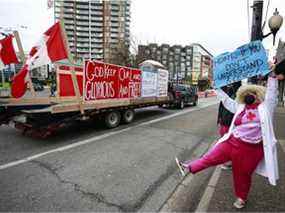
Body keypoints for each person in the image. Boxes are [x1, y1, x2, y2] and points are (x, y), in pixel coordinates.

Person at [176, 68, 284, 209]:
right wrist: (217, 88)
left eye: (252, 93)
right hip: (232, 142)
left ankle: (241, 198)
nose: (249, 96)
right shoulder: (241, 107)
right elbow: (227, 101)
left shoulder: (266, 108)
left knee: (242, 176)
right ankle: (189, 168)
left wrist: (272, 77)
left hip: (251, 150)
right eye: (246, 94)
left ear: (258, 95)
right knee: (210, 157)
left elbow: (271, 95)